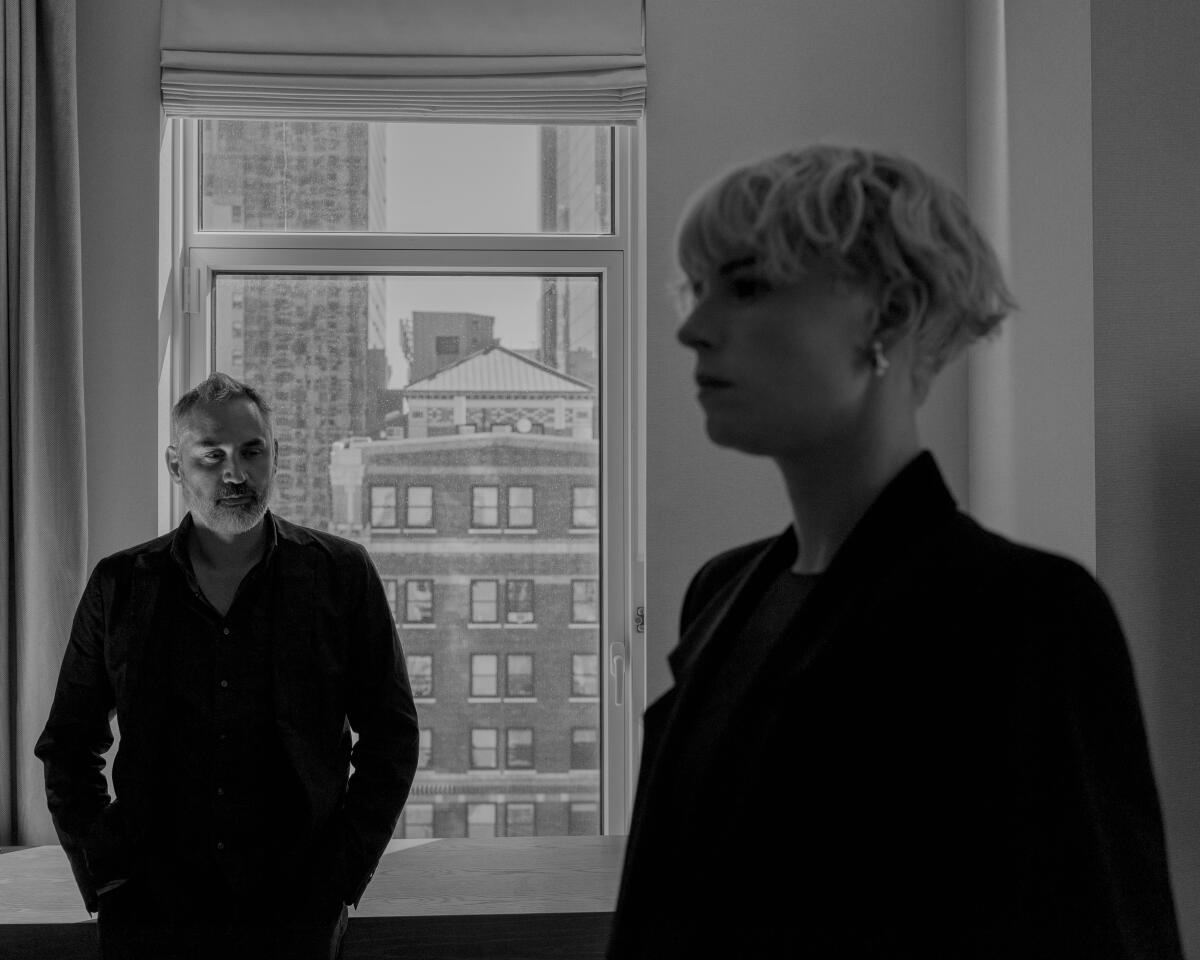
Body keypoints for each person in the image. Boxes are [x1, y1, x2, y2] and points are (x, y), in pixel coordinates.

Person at [607, 146, 1183, 958]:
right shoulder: (722, 593)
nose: (692, 329)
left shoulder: (1022, 615)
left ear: (889, 314)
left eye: (745, 285)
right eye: (696, 290)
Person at [35, 373, 420, 960]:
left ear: (274, 455)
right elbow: (68, 742)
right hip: (149, 909)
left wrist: (340, 875)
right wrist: (103, 871)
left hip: (296, 910)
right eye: (211, 455)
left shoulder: (341, 575)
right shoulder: (120, 586)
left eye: (251, 451)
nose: (235, 473)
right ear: (175, 464)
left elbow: (391, 737)